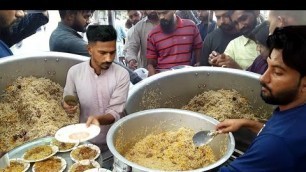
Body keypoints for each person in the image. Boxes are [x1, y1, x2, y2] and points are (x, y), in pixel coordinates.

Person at [217, 25, 306, 171]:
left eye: (277, 72)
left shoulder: (276, 145)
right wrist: (249, 123)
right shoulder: (295, 110)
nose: (263, 78)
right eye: (268, 66)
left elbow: (279, 142)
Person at [62, 25, 130, 152]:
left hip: (116, 140)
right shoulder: (75, 72)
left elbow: (115, 112)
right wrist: (67, 106)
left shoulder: (121, 74)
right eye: (103, 53)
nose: (108, 58)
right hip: (86, 140)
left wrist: (98, 119)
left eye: (112, 52)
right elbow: (68, 100)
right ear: (89, 49)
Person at [49, 10, 142, 84]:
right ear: (70, 15)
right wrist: (137, 80)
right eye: (86, 16)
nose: (88, 21)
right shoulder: (65, 39)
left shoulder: (59, 35)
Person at [146, 10, 202, 76]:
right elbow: (151, 62)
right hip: (163, 77)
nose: (161, 17)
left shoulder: (191, 26)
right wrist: (151, 69)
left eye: (164, 13)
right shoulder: (153, 34)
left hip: (186, 76)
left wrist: (198, 64)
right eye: (159, 14)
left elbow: (198, 48)